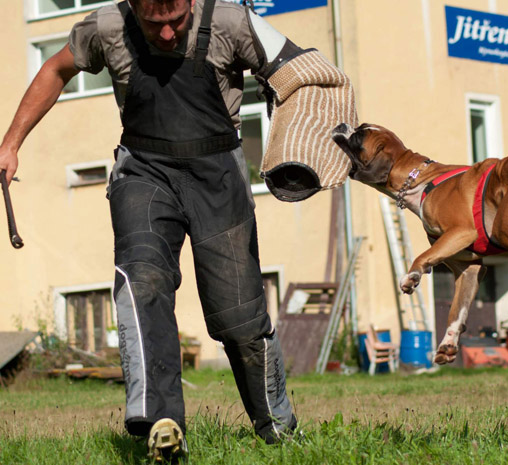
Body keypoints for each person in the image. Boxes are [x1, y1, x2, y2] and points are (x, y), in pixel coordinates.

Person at [0, 0, 303, 459]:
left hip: (218, 175)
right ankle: (161, 420)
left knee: (239, 315)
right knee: (142, 280)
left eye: (176, 22)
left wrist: (303, 143)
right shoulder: (107, 26)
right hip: (144, 171)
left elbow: (301, 73)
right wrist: (11, 143)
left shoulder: (231, 22)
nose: (165, 35)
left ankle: (279, 430)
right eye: (153, 24)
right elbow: (56, 68)